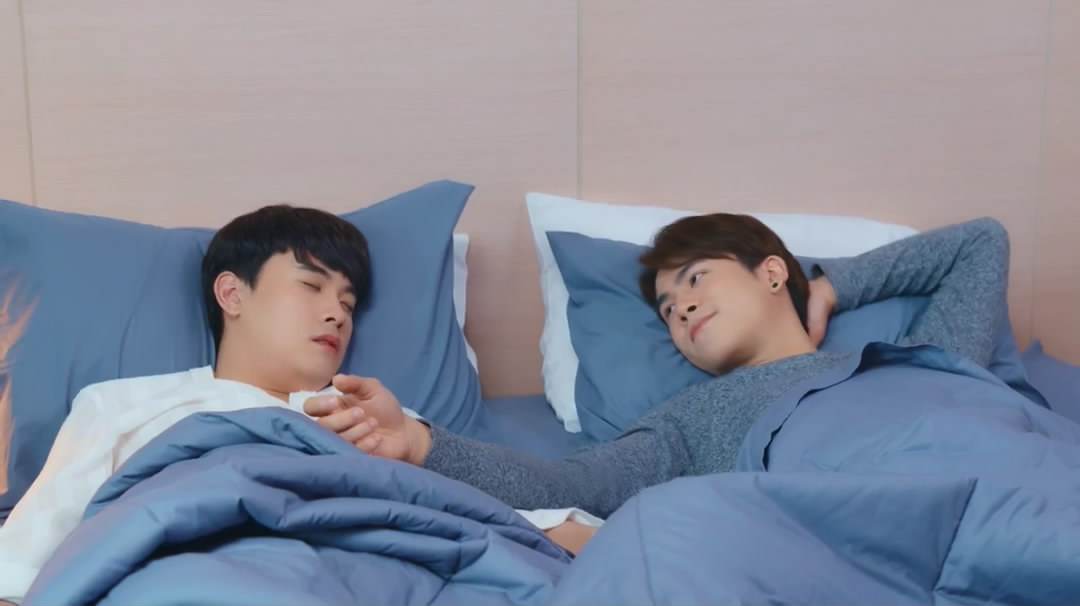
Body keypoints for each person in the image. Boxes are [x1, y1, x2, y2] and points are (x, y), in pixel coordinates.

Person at [0, 205, 595, 606]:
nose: (336, 313)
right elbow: (32, 547)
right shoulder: (128, 403)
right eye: (311, 286)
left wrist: (572, 532)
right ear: (232, 293)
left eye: (349, 303)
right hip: (205, 564)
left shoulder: (371, 420)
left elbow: (461, 515)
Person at [304, 212, 1031, 520]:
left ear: (771, 272)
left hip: (990, 472)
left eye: (696, 278)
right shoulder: (689, 420)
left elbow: (979, 243)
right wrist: (419, 443)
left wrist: (829, 286)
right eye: (666, 309)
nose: (680, 307)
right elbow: (566, 487)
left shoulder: (924, 361)